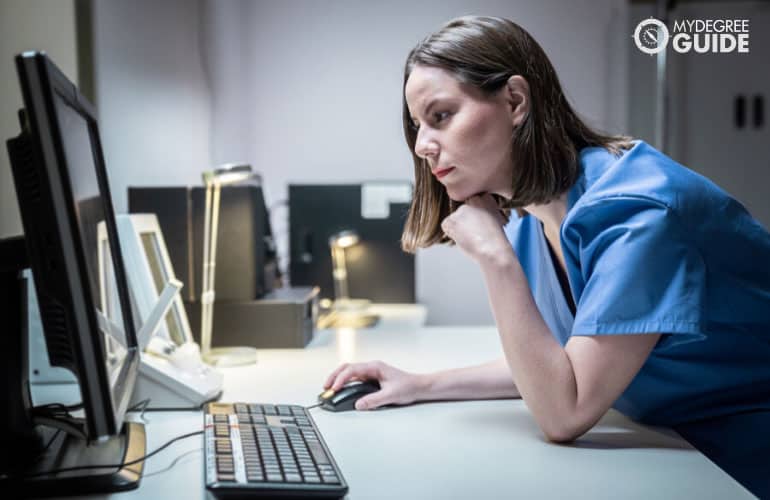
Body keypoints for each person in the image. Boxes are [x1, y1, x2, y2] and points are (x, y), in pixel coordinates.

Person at [324, 16, 770, 497]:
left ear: (515, 101)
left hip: (741, 459)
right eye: (417, 126)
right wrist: (418, 385)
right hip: (677, 448)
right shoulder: (542, 213)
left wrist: (496, 260)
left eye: (441, 116)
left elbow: (564, 411)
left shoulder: (636, 214)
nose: (423, 146)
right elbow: (556, 366)